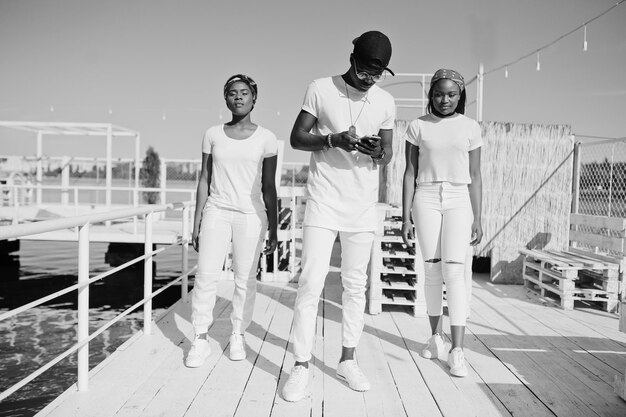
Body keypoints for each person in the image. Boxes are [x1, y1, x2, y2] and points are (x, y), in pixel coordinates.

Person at [281, 30, 396, 401]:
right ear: (352, 58)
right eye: (366, 71)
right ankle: (300, 365)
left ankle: (348, 359)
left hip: (362, 205)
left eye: (378, 74)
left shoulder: (386, 101)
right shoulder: (320, 88)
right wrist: (332, 139)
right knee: (311, 283)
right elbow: (297, 138)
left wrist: (377, 150)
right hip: (323, 200)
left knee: (355, 285)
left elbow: (389, 153)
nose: (370, 79)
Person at [185, 74, 278, 368]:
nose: (238, 97)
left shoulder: (267, 138)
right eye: (232, 93)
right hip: (217, 210)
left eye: (244, 93)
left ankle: (237, 333)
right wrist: (197, 220)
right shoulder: (212, 134)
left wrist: (274, 226)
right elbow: (204, 179)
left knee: (244, 280)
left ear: (254, 98)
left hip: (251, 215)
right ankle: (200, 338)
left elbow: (269, 187)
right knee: (205, 275)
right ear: (225, 99)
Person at [401, 68, 483, 377]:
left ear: (460, 95)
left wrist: (479, 216)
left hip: (459, 197)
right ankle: (436, 338)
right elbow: (409, 172)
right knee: (432, 269)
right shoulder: (417, 126)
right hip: (426, 196)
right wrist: (404, 213)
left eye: (451, 94)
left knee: (454, 270)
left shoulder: (470, 127)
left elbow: (476, 176)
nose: (444, 99)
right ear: (430, 95)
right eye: (438, 93)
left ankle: (458, 349)